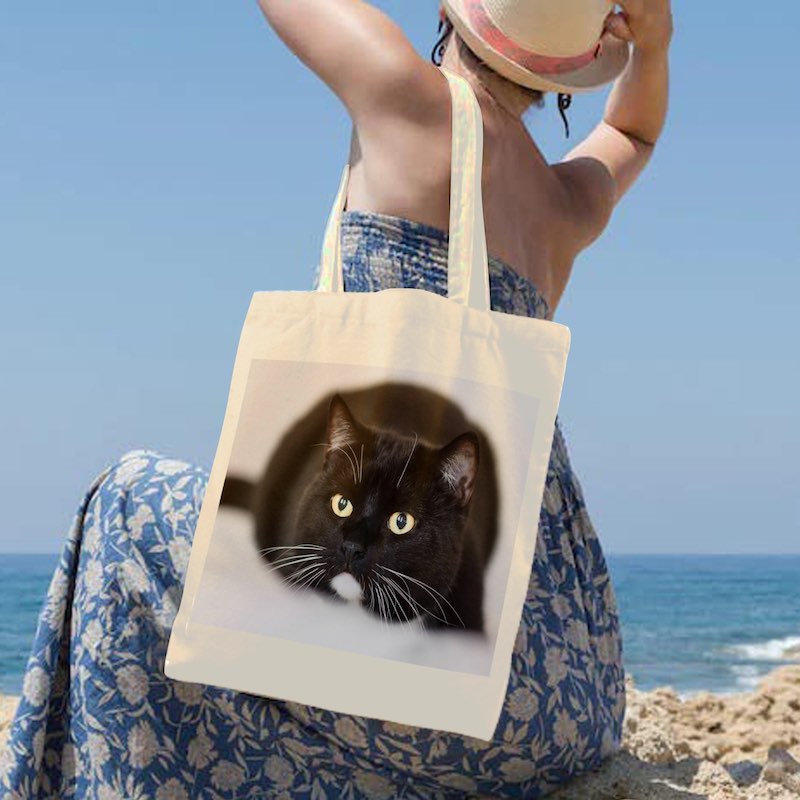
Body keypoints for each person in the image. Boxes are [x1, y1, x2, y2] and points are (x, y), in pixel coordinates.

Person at [1, 1, 672, 797]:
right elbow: (633, 135)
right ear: (565, 69)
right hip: (560, 691)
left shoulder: (409, 94)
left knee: (125, 504)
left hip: (442, 691)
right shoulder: (565, 206)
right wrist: (653, 43)